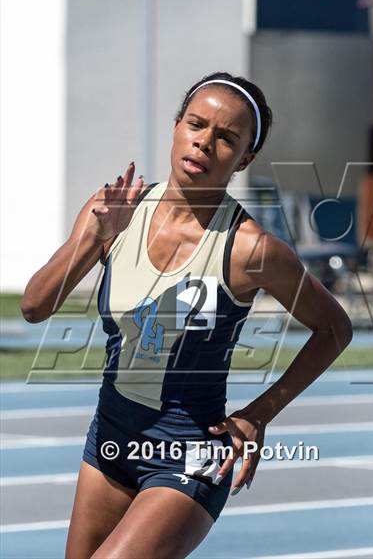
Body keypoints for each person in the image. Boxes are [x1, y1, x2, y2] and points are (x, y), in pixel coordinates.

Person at [21, 71, 353, 559]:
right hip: (110, 439)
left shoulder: (251, 249)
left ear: (246, 158)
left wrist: (260, 414)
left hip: (189, 453)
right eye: (196, 124)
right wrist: (92, 238)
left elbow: (335, 329)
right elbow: (34, 306)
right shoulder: (116, 209)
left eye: (226, 138)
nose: (204, 142)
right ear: (177, 125)